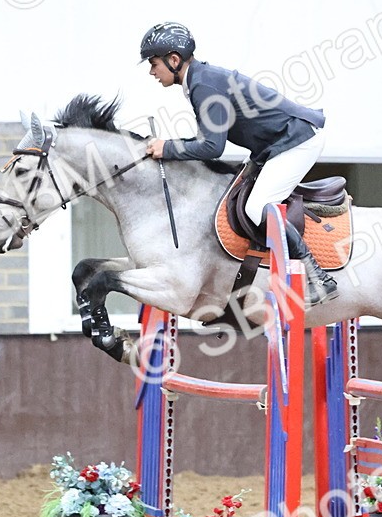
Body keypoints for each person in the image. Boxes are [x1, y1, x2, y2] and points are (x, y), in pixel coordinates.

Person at [139, 21, 338, 306]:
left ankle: (317, 276)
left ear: (173, 60)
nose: (151, 71)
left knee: (256, 207)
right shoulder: (200, 80)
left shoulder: (203, 85)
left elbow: (211, 146)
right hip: (273, 145)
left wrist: (167, 147)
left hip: (297, 140)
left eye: (154, 63)